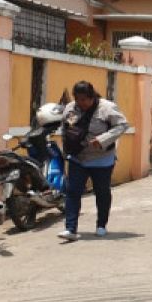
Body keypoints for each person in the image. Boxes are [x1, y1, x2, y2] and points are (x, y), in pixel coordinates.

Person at [59, 80, 128, 241]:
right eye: (78, 99)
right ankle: (70, 228)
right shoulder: (70, 108)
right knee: (72, 191)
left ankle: (101, 225)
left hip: (101, 159)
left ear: (92, 97)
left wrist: (103, 139)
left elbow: (122, 125)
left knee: (102, 192)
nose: (81, 103)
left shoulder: (107, 108)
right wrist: (67, 149)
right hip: (78, 158)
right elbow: (65, 129)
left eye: (84, 99)